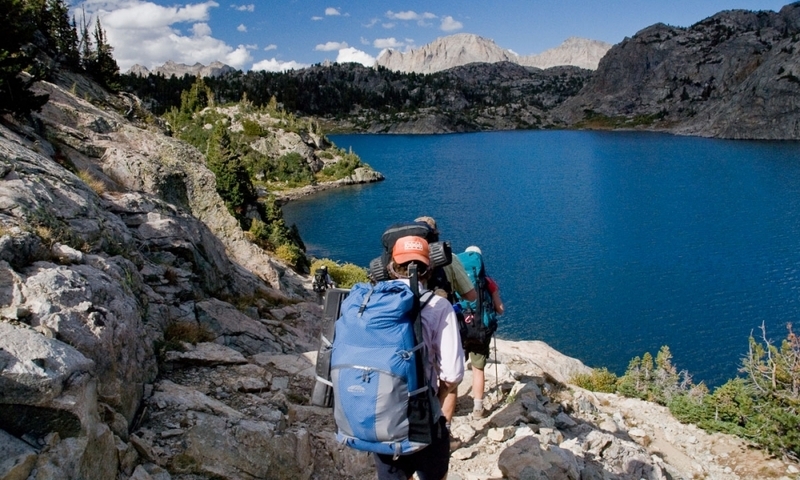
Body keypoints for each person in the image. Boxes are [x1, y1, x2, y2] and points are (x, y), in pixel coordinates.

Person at [374, 235, 465, 480]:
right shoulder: (439, 306)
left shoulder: (372, 302)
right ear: (429, 269)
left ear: (391, 267)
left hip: (379, 415)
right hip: (423, 417)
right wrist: (437, 399)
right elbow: (452, 374)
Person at [462, 245, 504, 419]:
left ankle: (446, 402)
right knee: (478, 369)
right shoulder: (488, 282)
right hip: (480, 330)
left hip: (460, 329)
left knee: (452, 367)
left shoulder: (456, 278)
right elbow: (500, 309)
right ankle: (478, 409)